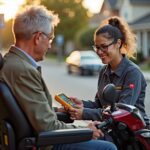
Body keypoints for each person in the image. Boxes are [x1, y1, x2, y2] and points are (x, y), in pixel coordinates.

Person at [0, 5, 117, 150]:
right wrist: (87, 131)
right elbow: (47, 126)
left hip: (35, 137)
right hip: (45, 143)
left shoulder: (13, 62)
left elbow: (33, 110)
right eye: (50, 39)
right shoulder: (23, 70)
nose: (50, 46)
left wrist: (56, 111)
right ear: (38, 37)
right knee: (108, 147)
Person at [68, 16, 150, 129]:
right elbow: (99, 104)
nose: (99, 52)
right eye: (96, 47)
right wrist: (82, 104)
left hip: (132, 134)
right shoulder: (103, 71)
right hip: (111, 128)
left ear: (118, 43)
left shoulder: (132, 73)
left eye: (104, 46)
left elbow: (122, 112)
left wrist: (85, 113)